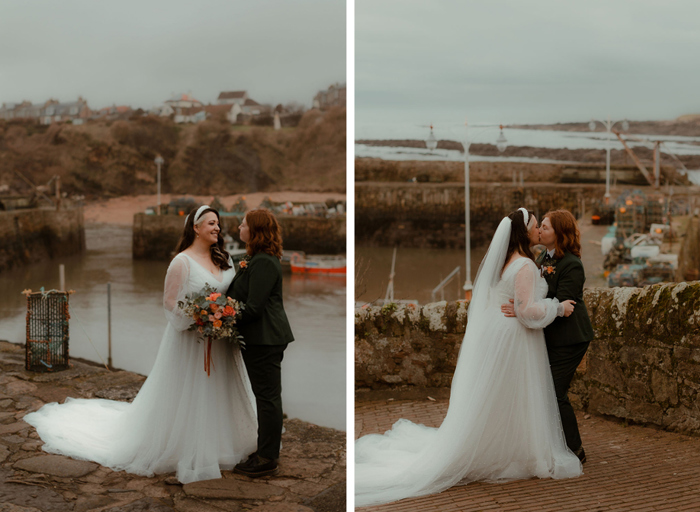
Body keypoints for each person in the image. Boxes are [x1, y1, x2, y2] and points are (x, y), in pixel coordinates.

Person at [355, 208, 582, 507]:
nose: (538, 228)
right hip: (515, 335)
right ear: (522, 232)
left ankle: (501, 445)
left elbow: (511, 301)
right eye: (534, 225)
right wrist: (557, 308)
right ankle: (510, 450)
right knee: (514, 394)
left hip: (501, 332)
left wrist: (522, 306)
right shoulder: (526, 265)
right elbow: (527, 311)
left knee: (499, 395)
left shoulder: (504, 261)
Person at [24, 205, 258, 484]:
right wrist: (200, 318)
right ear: (195, 228)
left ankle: (222, 443)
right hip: (191, 341)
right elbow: (169, 303)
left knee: (220, 390)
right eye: (210, 223)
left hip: (220, 342)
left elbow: (230, 295)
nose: (216, 228)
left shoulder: (226, 259)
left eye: (218, 223)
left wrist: (223, 316)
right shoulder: (181, 262)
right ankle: (187, 445)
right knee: (191, 393)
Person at [502, 209, 594, 463]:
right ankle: (554, 443)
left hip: (570, 338)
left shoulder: (572, 264)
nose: (539, 230)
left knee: (555, 391)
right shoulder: (544, 257)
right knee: (545, 389)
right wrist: (522, 304)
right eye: (539, 226)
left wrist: (524, 308)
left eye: (545, 227)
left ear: (559, 233)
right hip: (550, 335)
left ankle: (575, 449)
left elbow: (564, 304)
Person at [227, 208, 294, 478]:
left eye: (243, 224)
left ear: (254, 231)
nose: (239, 228)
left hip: (265, 338)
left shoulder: (264, 262)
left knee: (267, 398)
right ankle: (266, 450)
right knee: (266, 396)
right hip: (260, 338)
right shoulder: (254, 259)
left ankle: (267, 458)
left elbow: (254, 308)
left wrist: (221, 316)